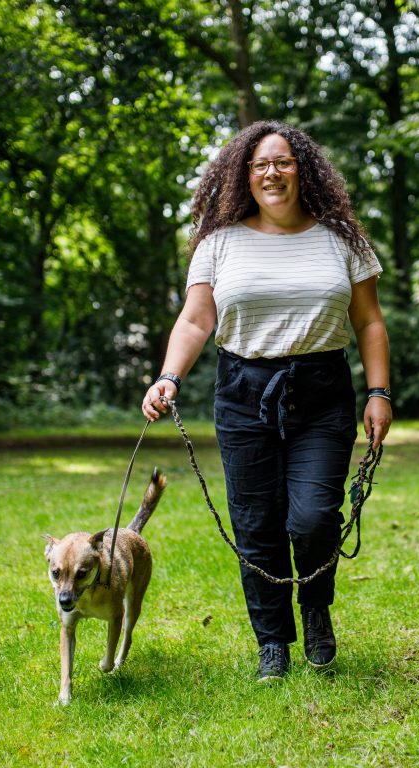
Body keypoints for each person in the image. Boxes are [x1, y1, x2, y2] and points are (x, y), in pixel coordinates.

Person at [141, 120, 392, 683]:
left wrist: (379, 392)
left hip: (323, 391)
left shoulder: (343, 239)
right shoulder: (220, 243)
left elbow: (370, 320)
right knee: (256, 523)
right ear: (244, 175)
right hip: (242, 392)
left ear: (304, 170)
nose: (271, 172)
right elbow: (196, 319)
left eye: (282, 162)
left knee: (312, 519)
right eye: (259, 164)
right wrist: (168, 378)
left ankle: (315, 607)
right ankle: (273, 642)